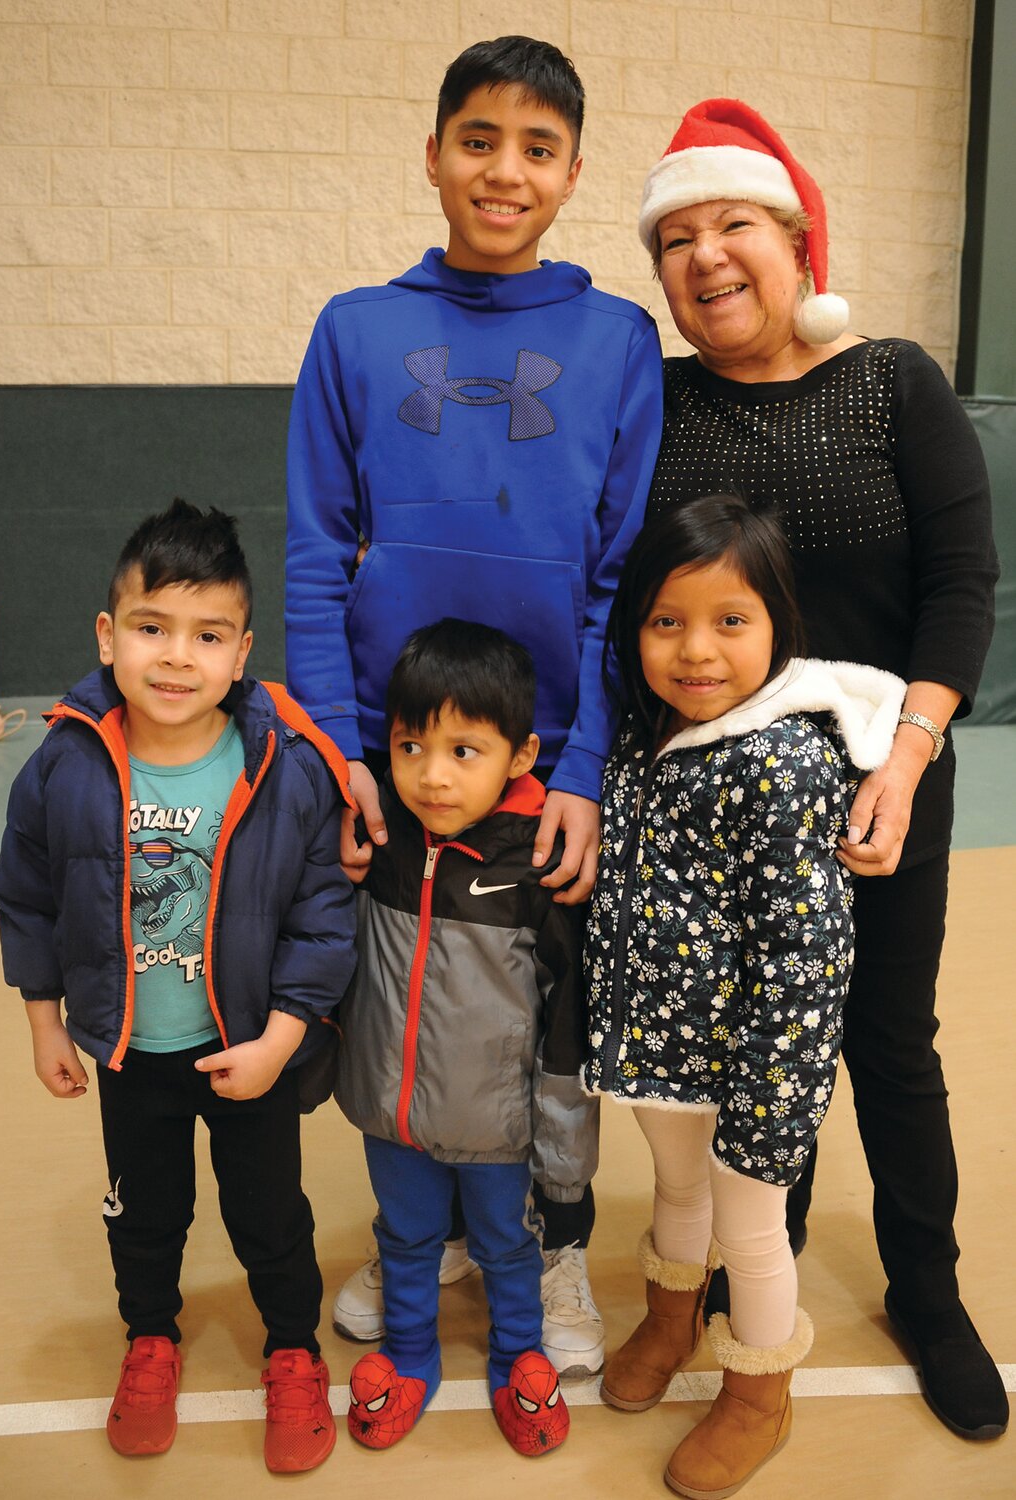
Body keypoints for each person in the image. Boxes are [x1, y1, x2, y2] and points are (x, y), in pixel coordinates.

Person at [285, 33, 663, 1377]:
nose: (506, 170)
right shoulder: (357, 328)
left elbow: (621, 581)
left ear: (570, 174)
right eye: (481, 139)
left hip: (543, 773)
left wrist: (580, 771)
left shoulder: (619, 340)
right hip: (403, 765)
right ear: (434, 152)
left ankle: (557, 1251)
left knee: (549, 1037)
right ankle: (440, 1230)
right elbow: (318, 555)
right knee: (414, 1009)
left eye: (539, 146)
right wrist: (342, 756)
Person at [638, 97, 1007, 1442]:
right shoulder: (659, 400)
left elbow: (965, 587)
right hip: (712, 807)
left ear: (798, 236)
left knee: (887, 1046)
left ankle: (930, 1288)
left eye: (732, 222)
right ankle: (750, 1291)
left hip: (877, 775)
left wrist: (910, 757)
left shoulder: (893, 378)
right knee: (738, 1058)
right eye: (674, 238)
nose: (705, 255)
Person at [0, 500, 357, 1474]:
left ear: (241, 653)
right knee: (145, 1216)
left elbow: (325, 920)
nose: (175, 657)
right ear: (109, 636)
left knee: (270, 1217)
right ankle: (149, 1337)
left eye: (206, 636)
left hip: (248, 1054)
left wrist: (282, 1039)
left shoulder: (283, 766)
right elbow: (23, 896)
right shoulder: (66, 761)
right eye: (151, 628)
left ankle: (291, 1348)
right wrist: (44, 1024)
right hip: (128, 1053)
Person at [585, 494, 906, 1496]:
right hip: (659, 1052)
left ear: (777, 629)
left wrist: (771, 1104)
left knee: (751, 1230)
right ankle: (670, 1318)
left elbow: (804, 958)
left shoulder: (781, 763)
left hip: (752, 1073)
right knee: (673, 1193)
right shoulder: (643, 742)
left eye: (730, 622)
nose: (696, 652)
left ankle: (757, 1391)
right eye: (666, 622)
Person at [334, 619, 596, 1456]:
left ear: (522, 755)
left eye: (463, 751)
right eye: (410, 747)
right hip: (393, 1115)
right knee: (403, 1236)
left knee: (506, 1246)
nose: (431, 776)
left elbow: (566, 1024)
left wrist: (562, 1154)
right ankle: (409, 1354)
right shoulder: (380, 839)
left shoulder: (536, 863)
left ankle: (518, 1354)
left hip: (499, 1128)